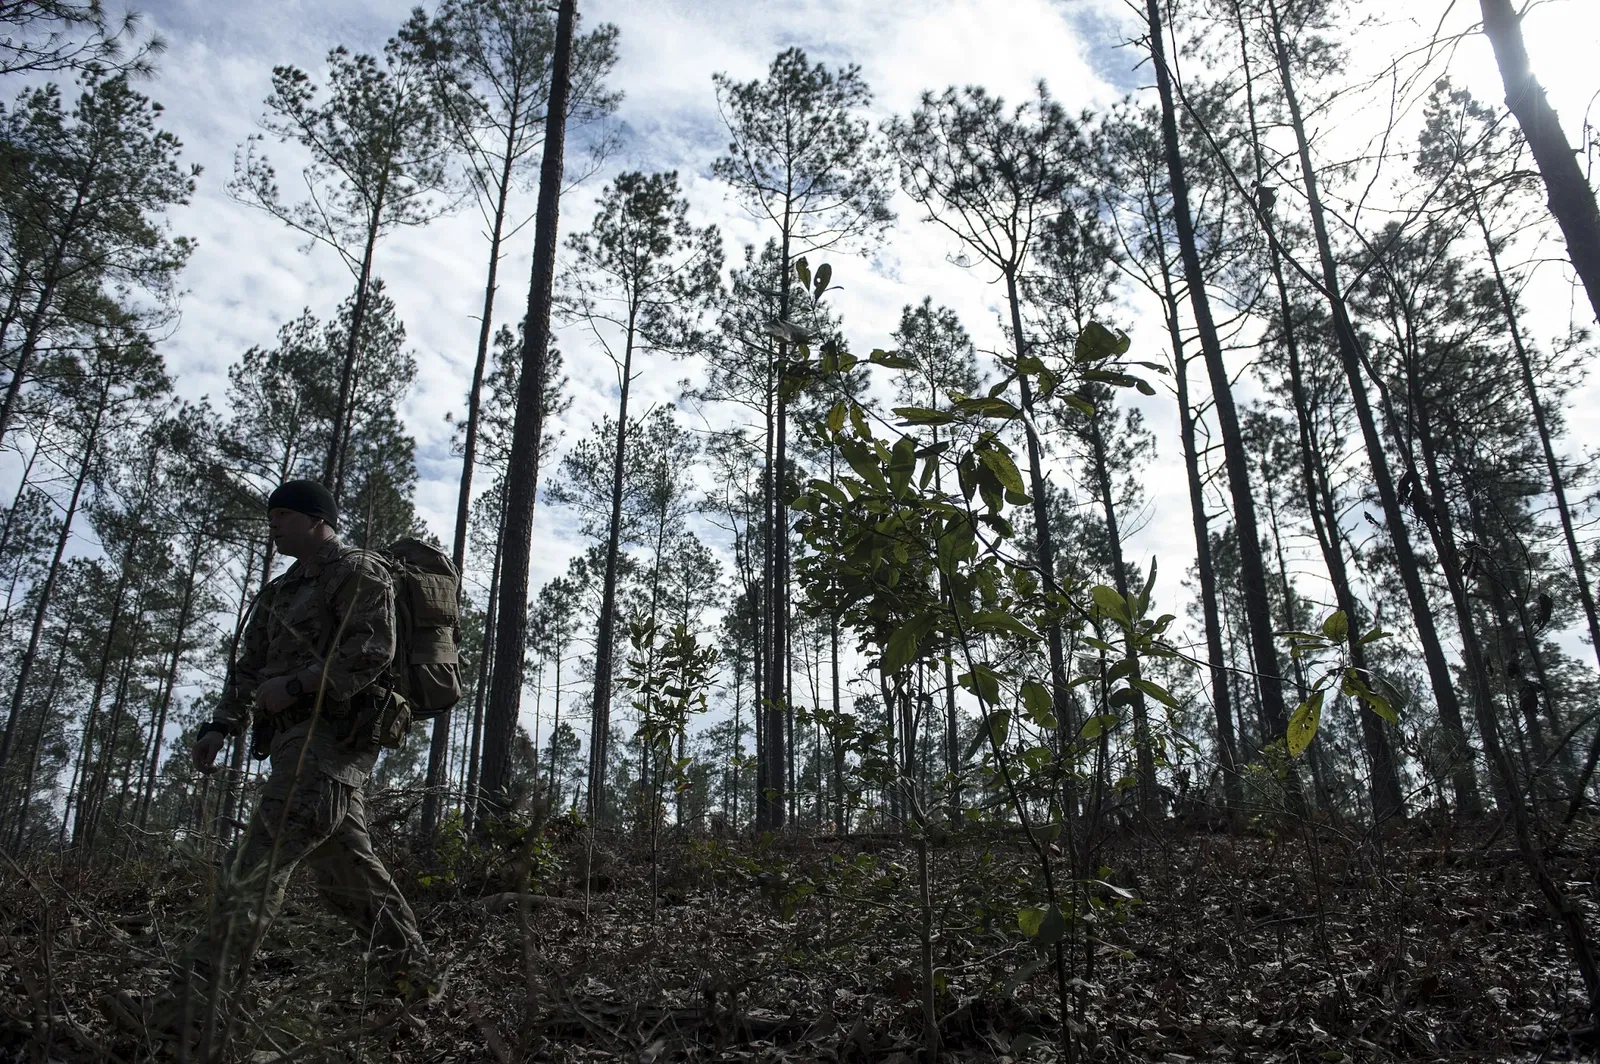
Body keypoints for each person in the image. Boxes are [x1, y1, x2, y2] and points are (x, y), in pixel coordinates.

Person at [110, 479, 435, 1040]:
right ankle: (417, 984)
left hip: (332, 741)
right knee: (348, 876)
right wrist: (220, 726)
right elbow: (248, 667)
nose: (273, 525)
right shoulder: (280, 592)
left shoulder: (358, 570)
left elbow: (371, 653)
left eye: (283, 515)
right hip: (293, 745)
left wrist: (301, 682)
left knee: (255, 867)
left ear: (316, 519)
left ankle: (185, 1015)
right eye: (271, 516)